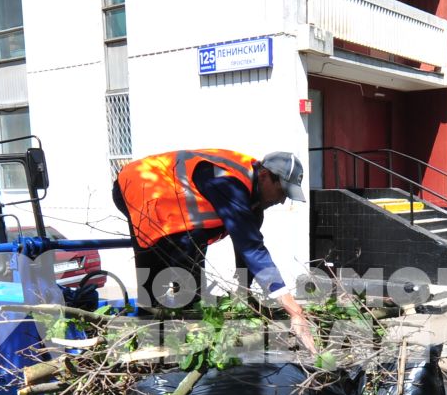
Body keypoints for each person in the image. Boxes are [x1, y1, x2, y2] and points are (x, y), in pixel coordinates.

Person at [112, 148, 318, 353]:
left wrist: (244, 294)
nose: (282, 200)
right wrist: (294, 311)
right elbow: (251, 248)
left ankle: (178, 331)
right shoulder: (228, 182)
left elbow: (246, 248)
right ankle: (156, 340)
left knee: (190, 253)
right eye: (282, 191)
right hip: (141, 184)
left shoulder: (253, 199)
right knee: (177, 263)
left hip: (169, 197)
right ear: (265, 176)